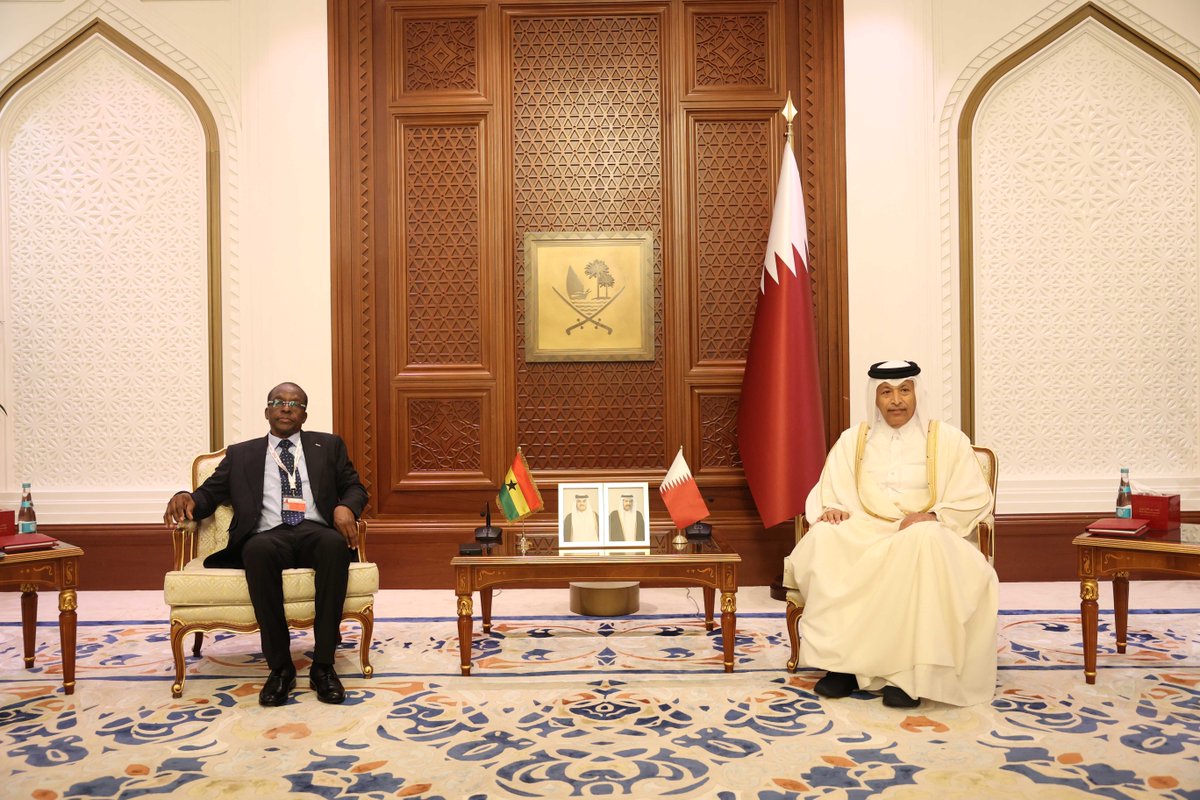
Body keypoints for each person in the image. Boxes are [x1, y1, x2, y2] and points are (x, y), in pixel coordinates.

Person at [782, 360, 997, 708]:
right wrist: (834, 507)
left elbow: (973, 497)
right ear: (875, 398)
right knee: (826, 539)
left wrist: (932, 515)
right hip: (866, 527)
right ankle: (844, 667)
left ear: (916, 393)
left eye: (904, 390)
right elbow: (830, 489)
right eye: (886, 392)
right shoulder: (853, 441)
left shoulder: (947, 440)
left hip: (926, 531)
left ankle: (908, 676)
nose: (896, 400)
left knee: (921, 541)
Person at [163, 382, 368, 707]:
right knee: (257, 550)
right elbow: (208, 494)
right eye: (278, 401)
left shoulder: (327, 446)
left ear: (304, 414)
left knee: (333, 546)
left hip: (314, 530)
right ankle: (280, 668)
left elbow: (354, 486)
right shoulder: (242, 454)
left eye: (295, 403)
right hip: (267, 534)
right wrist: (184, 497)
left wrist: (347, 507)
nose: (286, 407)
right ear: (267, 411)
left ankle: (324, 666)